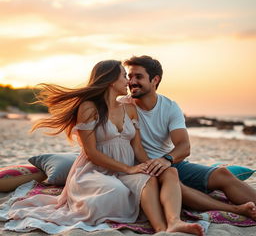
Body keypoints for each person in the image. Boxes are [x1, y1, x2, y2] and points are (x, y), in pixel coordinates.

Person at [6, 60, 204, 235]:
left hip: (125, 169)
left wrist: (149, 166)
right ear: (110, 81)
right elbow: (91, 153)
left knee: (150, 180)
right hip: (93, 171)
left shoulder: (129, 108)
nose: (128, 81)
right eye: (124, 76)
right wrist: (129, 169)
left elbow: (137, 149)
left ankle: (165, 228)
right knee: (116, 190)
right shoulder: (89, 108)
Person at [121, 55, 256, 220]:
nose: (131, 82)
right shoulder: (122, 105)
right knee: (176, 184)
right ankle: (236, 209)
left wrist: (167, 159)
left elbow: (184, 146)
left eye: (138, 77)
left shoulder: (170, 107)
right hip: (142, 168)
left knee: (222, 173)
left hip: (170, 162)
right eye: (129, 77)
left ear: (155, 79)